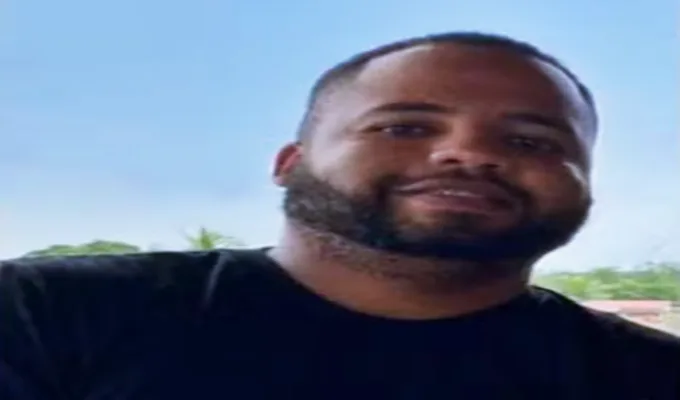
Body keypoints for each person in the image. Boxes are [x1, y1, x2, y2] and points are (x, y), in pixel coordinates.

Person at [1, 32, 678, 400]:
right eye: (404, 127)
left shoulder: (649, 376)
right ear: (290, 162)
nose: (470, 153)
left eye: (532, 142)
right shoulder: (43, 313)